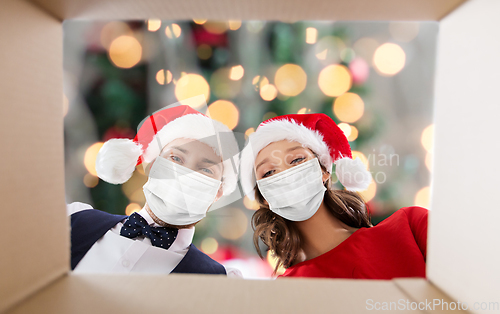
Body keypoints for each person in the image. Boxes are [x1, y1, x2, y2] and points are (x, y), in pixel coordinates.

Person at [239, 113, 428, 279]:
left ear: (323, 169)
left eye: (297, 159)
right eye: (268, 173)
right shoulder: (287, 293)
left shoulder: (411, 228)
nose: (284, 174)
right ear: (264, 197)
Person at [68, 105, 241, 276]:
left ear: (218, 192)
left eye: (206, 170)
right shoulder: (73, 220)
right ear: (152, 166)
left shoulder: (219, 281)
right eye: (176, 158)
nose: (185, 175)